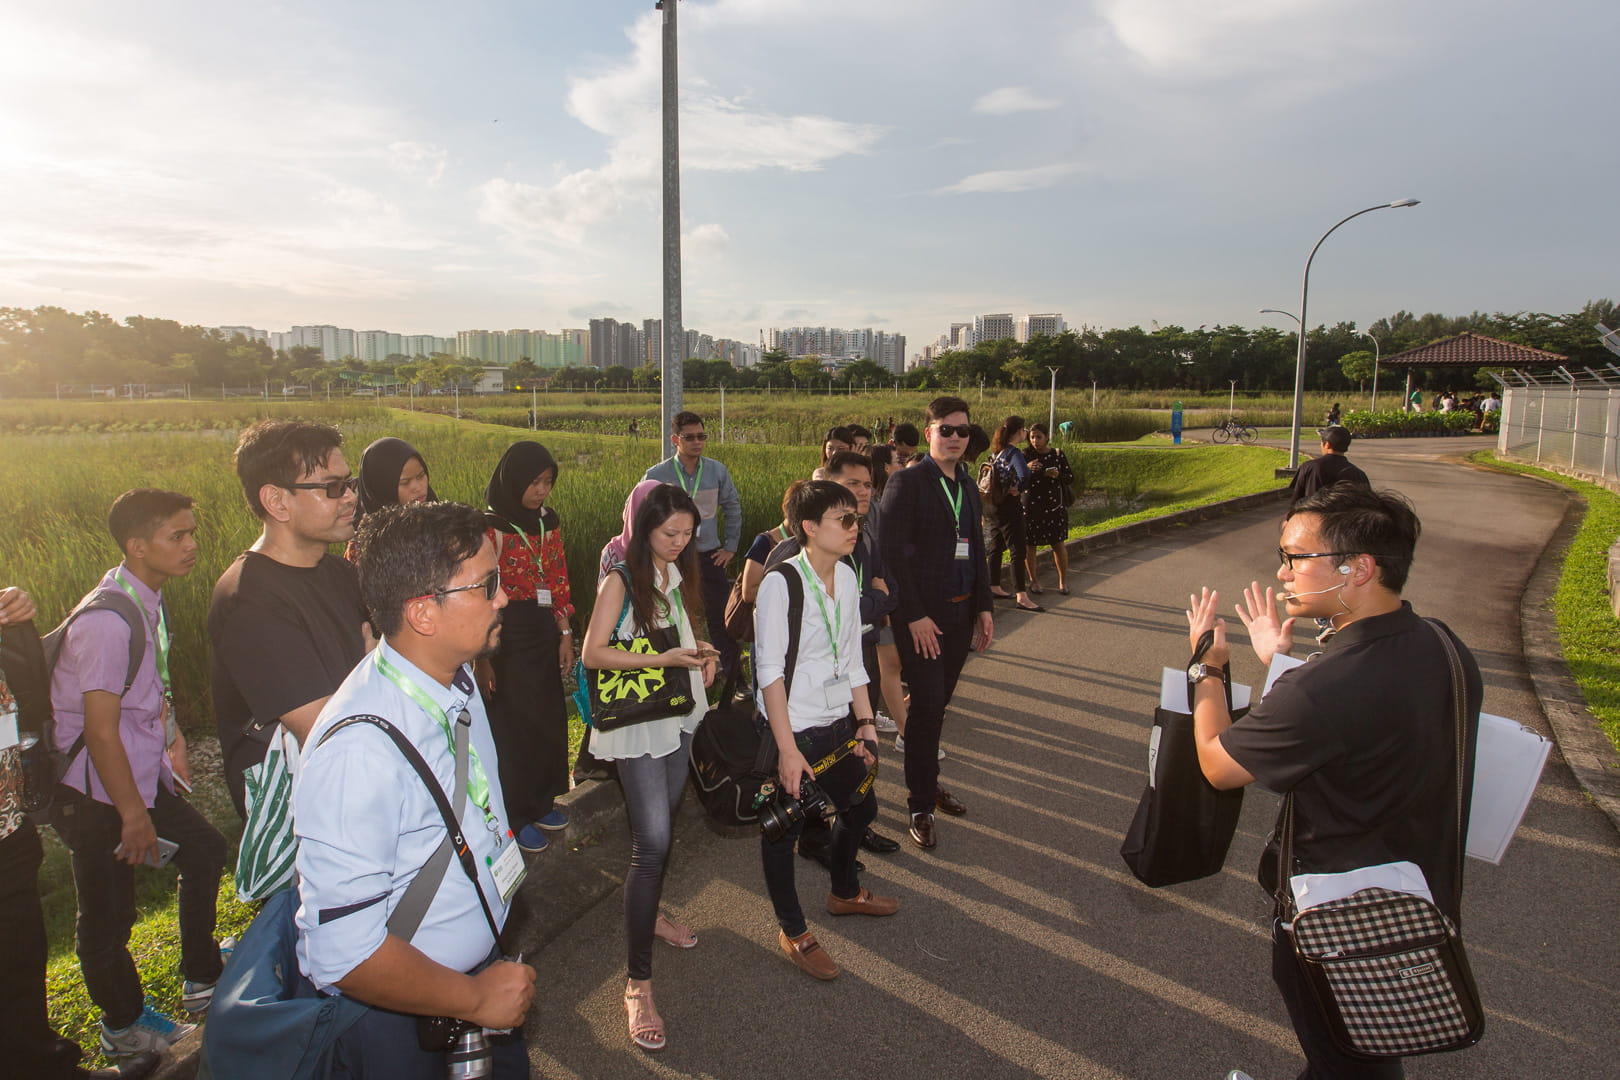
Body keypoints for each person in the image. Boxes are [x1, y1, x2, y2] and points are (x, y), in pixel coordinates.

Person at [1184, 485, 1482, 1080]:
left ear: (1359, 568)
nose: (1282, 570)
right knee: (1363, 1050)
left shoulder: (1325, 687)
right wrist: (1282, 663)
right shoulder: (1443, 644)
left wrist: (1207, 670)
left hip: (1337, 917)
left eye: (1296, 557)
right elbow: (1358, 723)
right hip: (1414, 896)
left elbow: (1218, 763)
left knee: (1348, 1061)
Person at [294, 500, 536, 1077]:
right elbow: (344, 953)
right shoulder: (359, 751)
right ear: (423, 613)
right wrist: (475, 1000)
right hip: (403, 1024)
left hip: (479, 986)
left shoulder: (455, 678)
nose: (503, 598)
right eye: (488, 585)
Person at [47, 490, 229, 1057]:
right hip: (94, 792)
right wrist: (133, 816)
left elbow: (145, 692)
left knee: (203, 849)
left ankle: (201, 976)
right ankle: (124, 1028)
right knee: (106, 915)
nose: (193, 544)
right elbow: (100, 731)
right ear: (137, 545)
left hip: (132, 772)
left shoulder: (145, 597)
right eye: (179, 535)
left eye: (192, 532)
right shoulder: (107, 620)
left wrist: (169, 741)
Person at [208, 420, 372, 902]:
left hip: (354, 780)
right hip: (312, 807)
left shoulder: (338, 572)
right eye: (332, 487)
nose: (350, 498)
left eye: (350, 484)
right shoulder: (250, 598)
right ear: (276, 501)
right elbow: (320, 726)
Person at [2, 586, 161, 1079]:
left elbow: (30, 695)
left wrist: (16, 631)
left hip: (7, 823)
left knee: (21, 960)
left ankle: (43, 1067)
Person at [580, 483, 717, 1052]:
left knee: (668, 822)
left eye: (688, 534)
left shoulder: (674, 571)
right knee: (652, 842)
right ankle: (638, 985)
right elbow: (592, 652)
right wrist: (662, 659)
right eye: (670, 534)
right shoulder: (620, 577)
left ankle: (653, 912)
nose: (680, 543)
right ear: (643, 529)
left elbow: (679, 632)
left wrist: (700, 654)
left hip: (678, 709)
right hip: (640, 719)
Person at [755, 480, 897, 981]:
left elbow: (854, 655)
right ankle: (794, 930)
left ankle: (842, 892)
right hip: (796, 729)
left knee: (863, 806)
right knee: (782, 830)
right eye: (845, 519)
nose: (855, 527)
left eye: (856, 518)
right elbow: (768, 671)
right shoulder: (783, 582)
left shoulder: (848, 575)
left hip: (839, 723)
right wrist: (788, 750)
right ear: (810, 528)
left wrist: (865, 721)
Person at [763, 452, 902, 859]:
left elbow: (885, 594)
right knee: (798, 804)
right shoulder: (789, 561)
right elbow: (774, 658)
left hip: (846, 687)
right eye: (852, 484)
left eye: (867, 484)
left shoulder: (858, 544)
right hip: (802, 707)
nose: (862, 493)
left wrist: (864, 719)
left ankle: (845, 845)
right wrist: (874, 600)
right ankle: (817, 847)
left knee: (853, 796)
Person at [878, 396, 995, 851]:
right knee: (926, 710)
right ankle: (920, 802)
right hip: (921, 621)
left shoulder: (966, 483)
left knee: (937, 707)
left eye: (962, 431)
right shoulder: (907, 483)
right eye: (945, 429)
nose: (954, 438)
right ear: (928, 433)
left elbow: (977, 551)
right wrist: (914, 616)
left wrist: (985, 607)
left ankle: (928, 780)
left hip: (961, 613)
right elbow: (890, 558)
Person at [480, 442, 575, 853]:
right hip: (504, 632)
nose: (541, 491)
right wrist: (483, 657)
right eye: (534, 482)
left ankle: (541, 801)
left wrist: (566, 631)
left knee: (546, 717)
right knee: (513, 725)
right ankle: (514, 814)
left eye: (547, 482)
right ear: (512, 480)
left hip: (541, 627)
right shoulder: (489, 527)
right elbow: (482, 591)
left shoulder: (547, 521)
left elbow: (556, 575)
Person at [643, 411, 743, 675]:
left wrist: (731, 546)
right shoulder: (657, 474)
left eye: (701, 436)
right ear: (676, 439)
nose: (697, 442)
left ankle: (734, 676)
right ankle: (677, 676)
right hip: (670, 558)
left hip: (709, 555)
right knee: (672, 618)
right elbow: (642, 515)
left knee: (721, 618)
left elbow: (732, 507)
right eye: (690, 437)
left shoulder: (717, 471)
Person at [983, 416, 1043, 612]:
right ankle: (1021, 595)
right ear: (1018, 432)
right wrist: (1020, 488)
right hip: (1009, 506)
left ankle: (993, 585)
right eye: (1024, 430)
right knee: (1018, 550)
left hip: (992, 505)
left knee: (996, 546)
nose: (1025, 433)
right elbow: (1024, 475)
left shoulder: (996, 452)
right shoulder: (1013, 453)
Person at [345, 437, 436, 562]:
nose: (417, 487)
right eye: (405, 482)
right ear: (382, 488)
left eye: (421, 476)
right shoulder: (365, 548)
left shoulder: (442, 520)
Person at [1020, 423, 1074, 595]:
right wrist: (1027, 469)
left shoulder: (1057, 454)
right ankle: (1033, 581)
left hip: (1053, 506)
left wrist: (1057, 474)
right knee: (1030, 545)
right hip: (1031, 506)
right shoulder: (1025, 455)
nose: (1035, 441)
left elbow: (1070, 477)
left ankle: (1063, 582)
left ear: (1046, 437)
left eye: (1039, 437)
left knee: (1058, 544)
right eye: (1032, 437)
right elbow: (1018, 478)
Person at [1289, 426, 1370, 507]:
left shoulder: (1309, 467)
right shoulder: (1358, 474)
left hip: (1313, 516)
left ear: (1327, 445)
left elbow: (1296, 501)